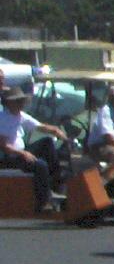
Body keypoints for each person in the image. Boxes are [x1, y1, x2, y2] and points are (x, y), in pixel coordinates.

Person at [0, 85, 68, 213]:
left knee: (47, 142)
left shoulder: (20, 116)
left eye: (21, 101)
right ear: (9, 103)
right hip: (9, 156)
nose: (21, 104)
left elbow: (40, 127)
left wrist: (57, 131)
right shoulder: (2, 118)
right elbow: (3, 146)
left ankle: (56, 184)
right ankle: (44, 202)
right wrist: (23, 153)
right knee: (40, 165)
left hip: (20, 152)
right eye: (18, 101)